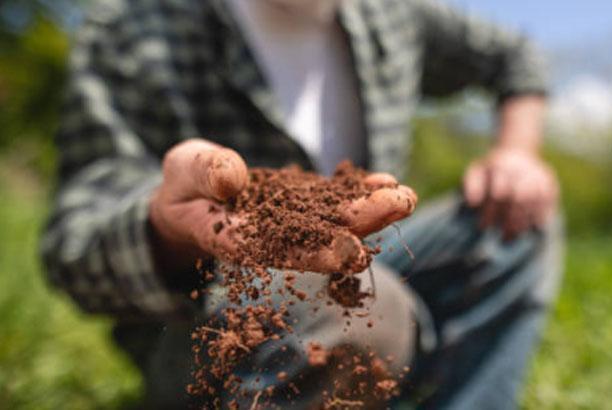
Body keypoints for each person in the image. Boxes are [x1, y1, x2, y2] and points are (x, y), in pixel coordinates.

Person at [41, 0, 563, 408]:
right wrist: (166, 226)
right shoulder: (137, 27)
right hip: (206, 314)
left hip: (368, 257)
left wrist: (516, 154)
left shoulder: (388, 15)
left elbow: (515, 55)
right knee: (360, 307)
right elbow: (72, 242)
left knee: (514, 219)